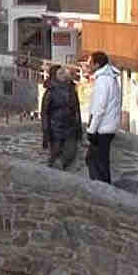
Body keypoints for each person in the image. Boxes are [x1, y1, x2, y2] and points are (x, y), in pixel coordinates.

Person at [86, 51, 122, 184]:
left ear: (97, 64)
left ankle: (101, 191)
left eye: (91, 63)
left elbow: (99, 108)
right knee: (101, 161)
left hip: (102, 128)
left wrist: (91, 130)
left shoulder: (103, 81)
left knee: (95, 162)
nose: (88, 65)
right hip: (109, 126)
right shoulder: (111, 78)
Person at [42, 65, 83, 170]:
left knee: (71, 153)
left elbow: (76, 110)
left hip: (71, 127)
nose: (64, 75)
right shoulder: (50, 91)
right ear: (54, 76)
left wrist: (79, 129)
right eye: (60, 73)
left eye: (64, 72)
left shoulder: (71, 89)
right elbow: (45, 113)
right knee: (55, 154)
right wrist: (46, 132)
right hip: (56, 128)